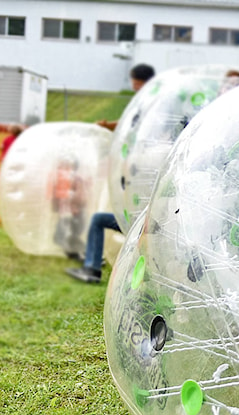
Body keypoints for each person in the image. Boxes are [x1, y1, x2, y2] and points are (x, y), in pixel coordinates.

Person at [67, 63, 155, 283]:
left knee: (99, 220)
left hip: (141, 225)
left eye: (134, 81)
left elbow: (133, 127)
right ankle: (94, 260)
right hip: (150, 222)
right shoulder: (152, 106)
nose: (133, 85)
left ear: (138, 81)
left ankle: (92, 267)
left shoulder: (146, 104)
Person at [97, 63, 156, 130]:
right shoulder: (141, 99)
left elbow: (131, 123)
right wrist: (107, 125)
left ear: (149, 83)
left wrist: (107, 126)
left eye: (137, 84)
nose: (134, 88)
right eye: (133, 83)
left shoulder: (152, 101)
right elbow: (129, 121)